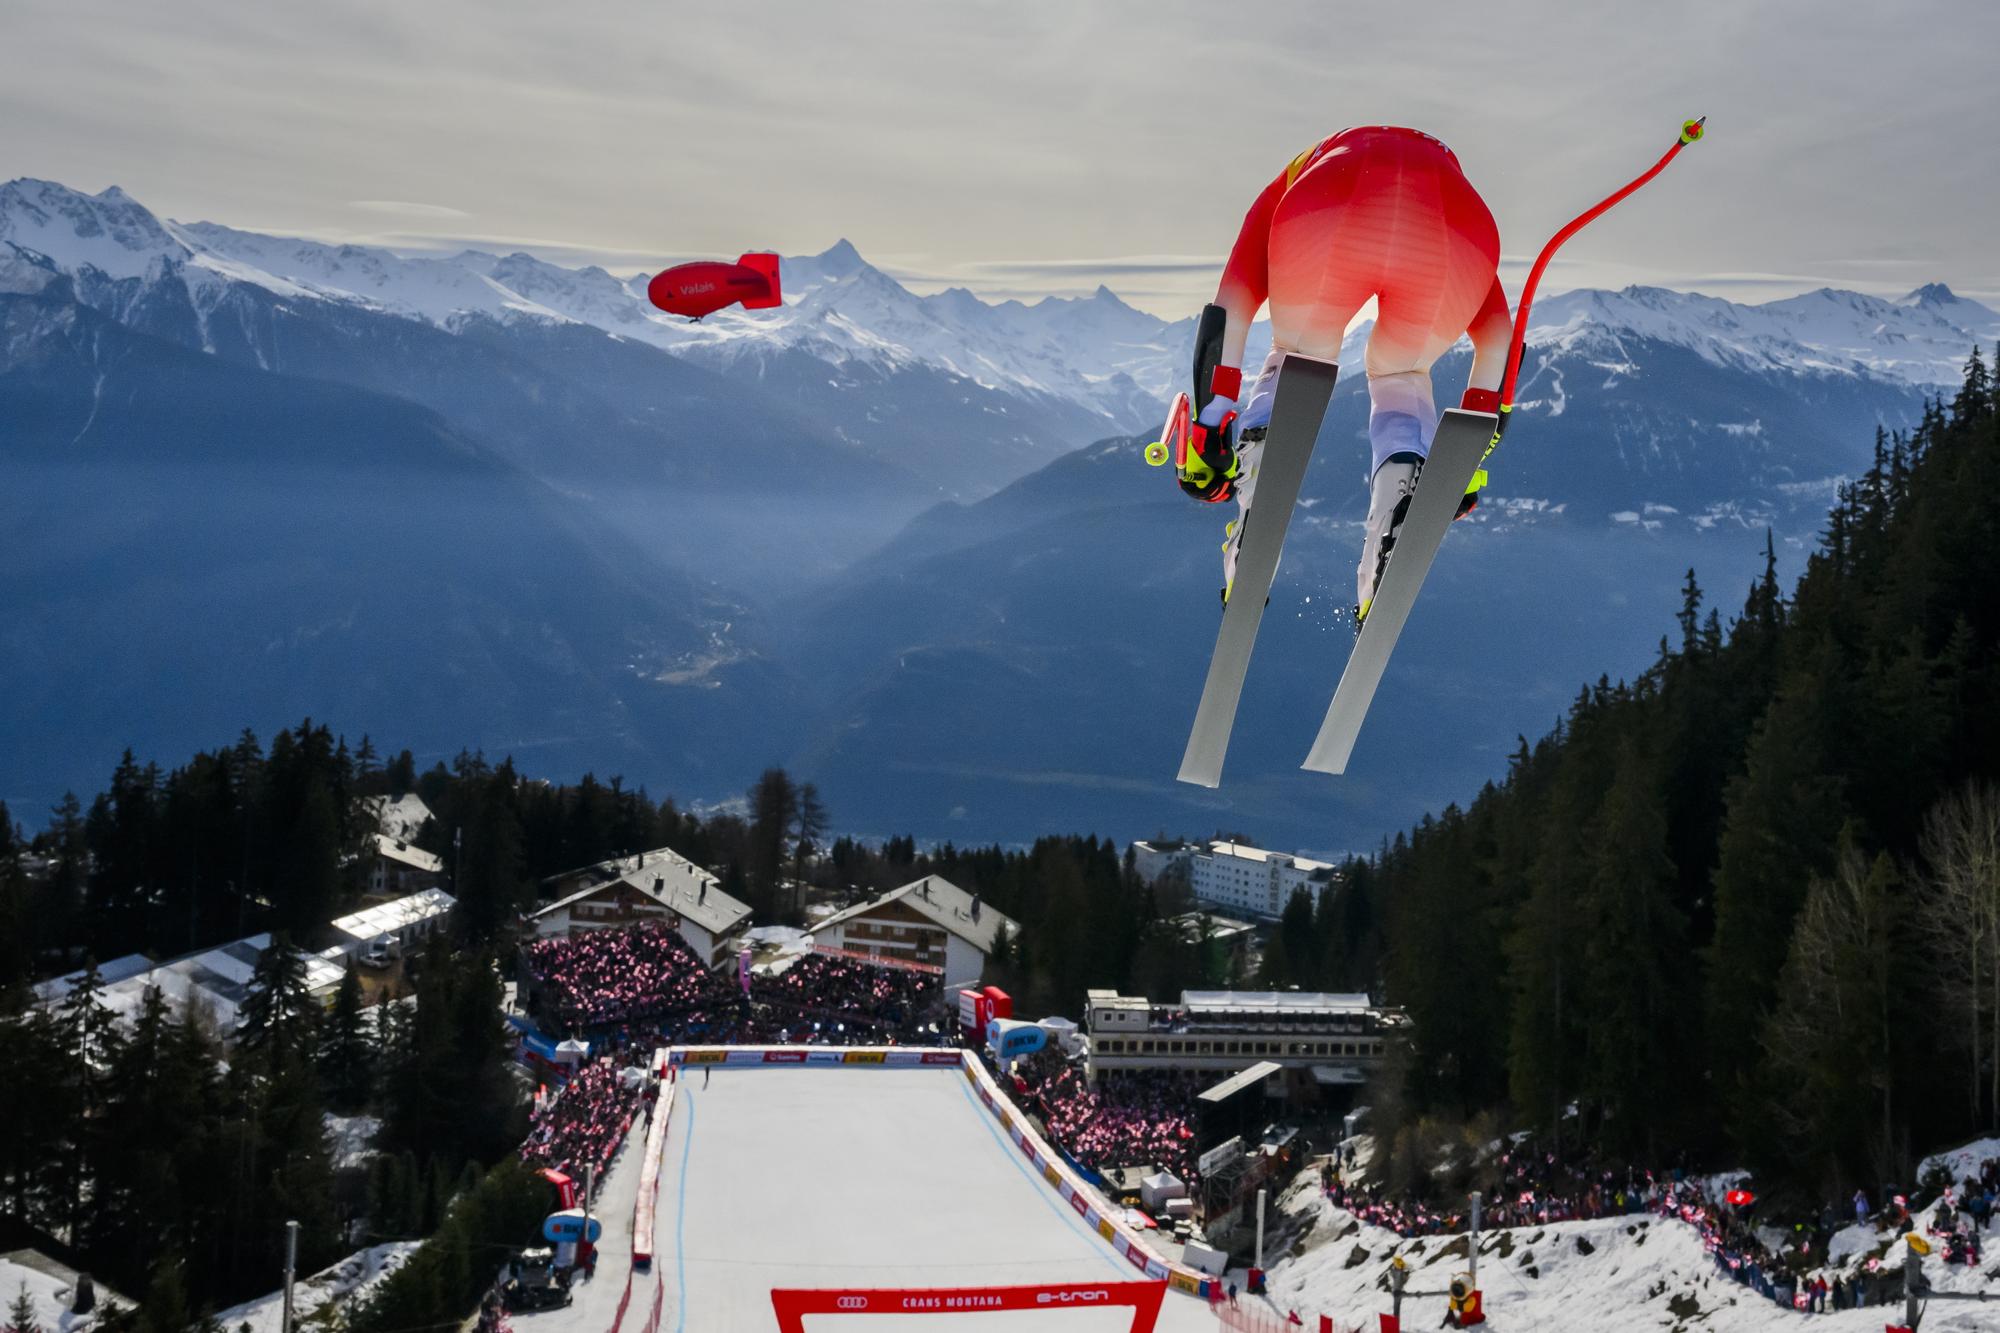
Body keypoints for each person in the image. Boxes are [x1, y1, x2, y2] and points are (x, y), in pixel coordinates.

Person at [1179, 125, 1510, 619]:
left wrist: (1213, 417)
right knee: (1403, 372)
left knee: (1298, 352)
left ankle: (1263, 459)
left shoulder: (1296, 174)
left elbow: (1234, 301)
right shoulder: (1449, 181)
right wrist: (1467, 456)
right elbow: (1499, 338)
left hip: (1327, 200)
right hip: (1459, 223)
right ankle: (1405, 484)